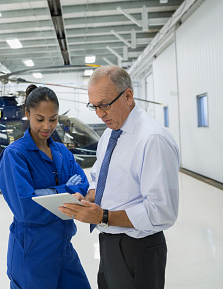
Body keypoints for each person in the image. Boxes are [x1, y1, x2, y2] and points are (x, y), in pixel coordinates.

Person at [58, 66, 180, 289]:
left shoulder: (152, 140)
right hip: (109, 242)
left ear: (128, 96)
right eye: (94, 107)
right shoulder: (109, 134)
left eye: (104, 105)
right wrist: (90, 198)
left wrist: (103, 216)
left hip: (138, 248)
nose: (99, 114)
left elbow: (162, 211)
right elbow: (98, 176)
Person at [0, 84, 91, 289]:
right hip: (32, 255)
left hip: (64, 248)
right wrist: (66, 190)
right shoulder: (15, 155)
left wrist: (45, 194)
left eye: (53, 119)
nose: (47, 126)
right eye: (40, 119)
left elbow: (83, 183)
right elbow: (26, 208)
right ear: (27, 114)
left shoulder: (61, 151)